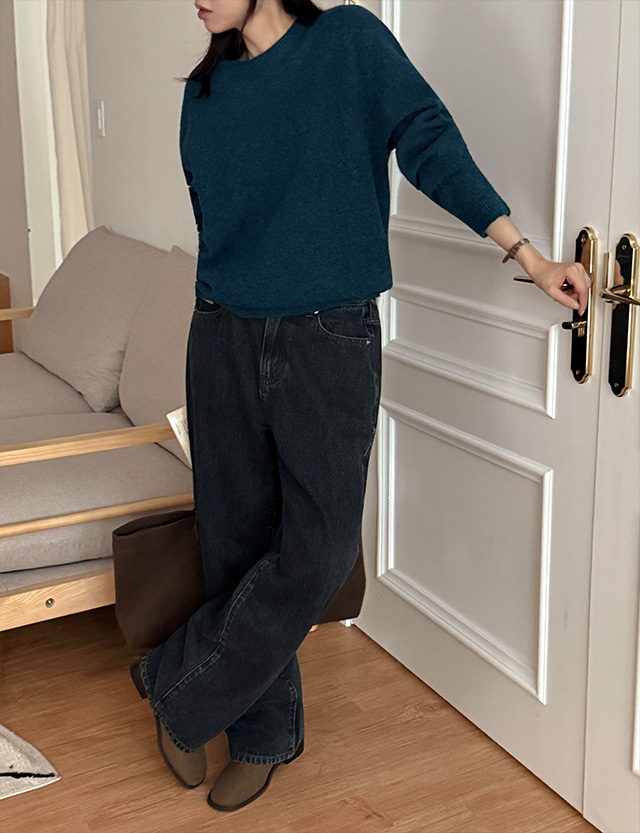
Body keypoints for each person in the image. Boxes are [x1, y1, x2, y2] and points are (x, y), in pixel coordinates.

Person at [129, 0, 592, 814]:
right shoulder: (204, 95)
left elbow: (429, 140)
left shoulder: (347, 43)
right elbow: (215, 220)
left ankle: (179, 686)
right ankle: (264, 734)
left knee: (319, 552)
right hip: (222, 335)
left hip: (327, 338)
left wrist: (526, 253)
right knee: (235, 544)